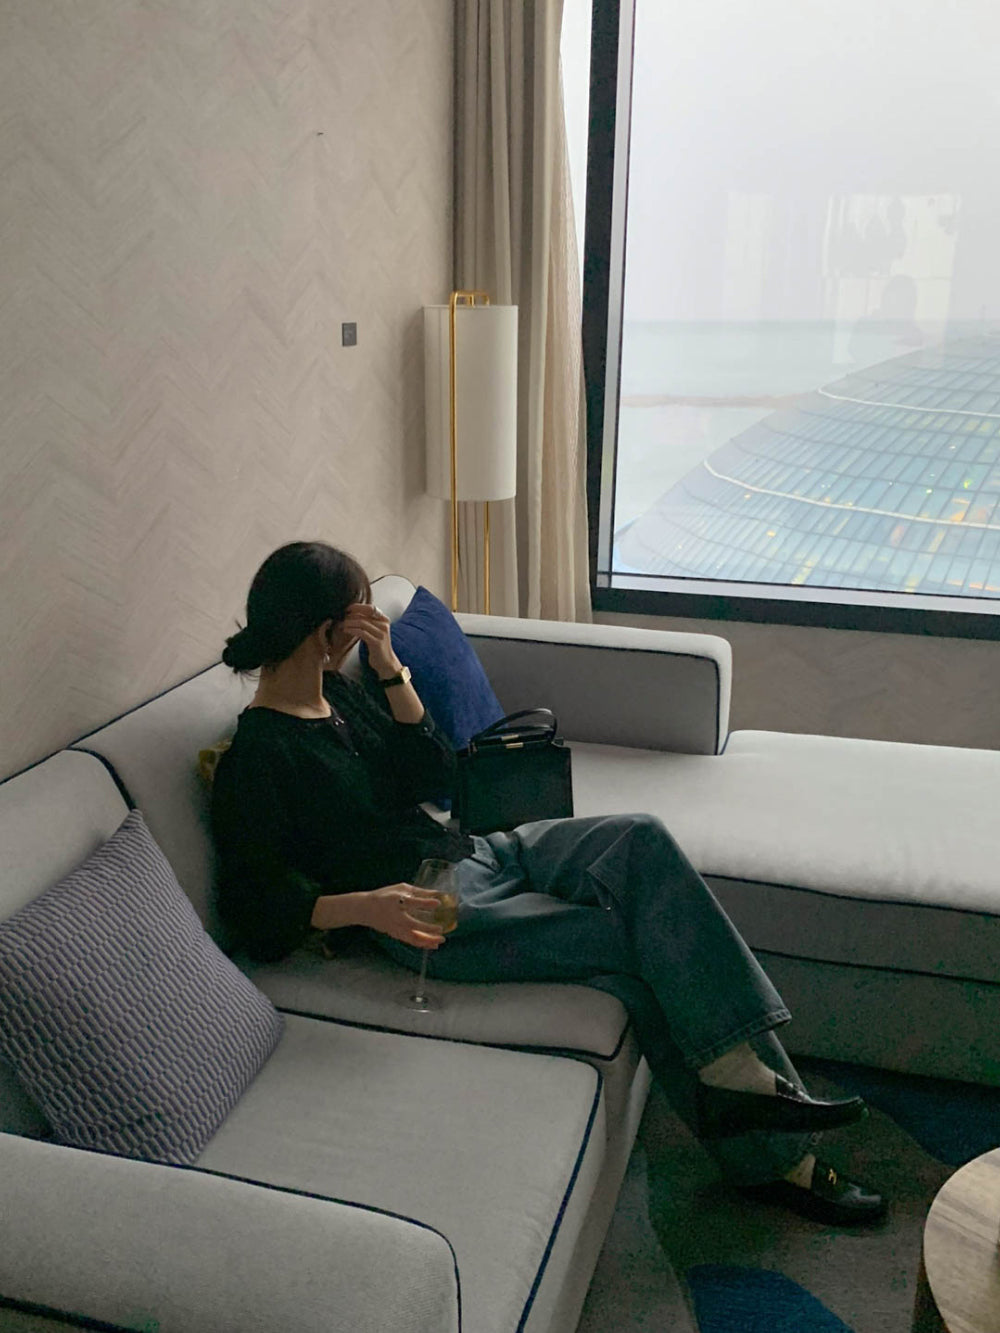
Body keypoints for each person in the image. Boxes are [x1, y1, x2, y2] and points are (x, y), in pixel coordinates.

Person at [211, 540, 887, 1226]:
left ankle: (744, 1090)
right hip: (434, 907)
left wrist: (390, 670)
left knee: (640, 837)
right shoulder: (258, 754)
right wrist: (368, 908)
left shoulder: (343, 698)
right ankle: (769, 1139)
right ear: (326, 631)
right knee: (631, 943)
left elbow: (435, 775)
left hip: (478, 850)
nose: (368, 634)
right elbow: (253, 902)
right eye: (360, 621)